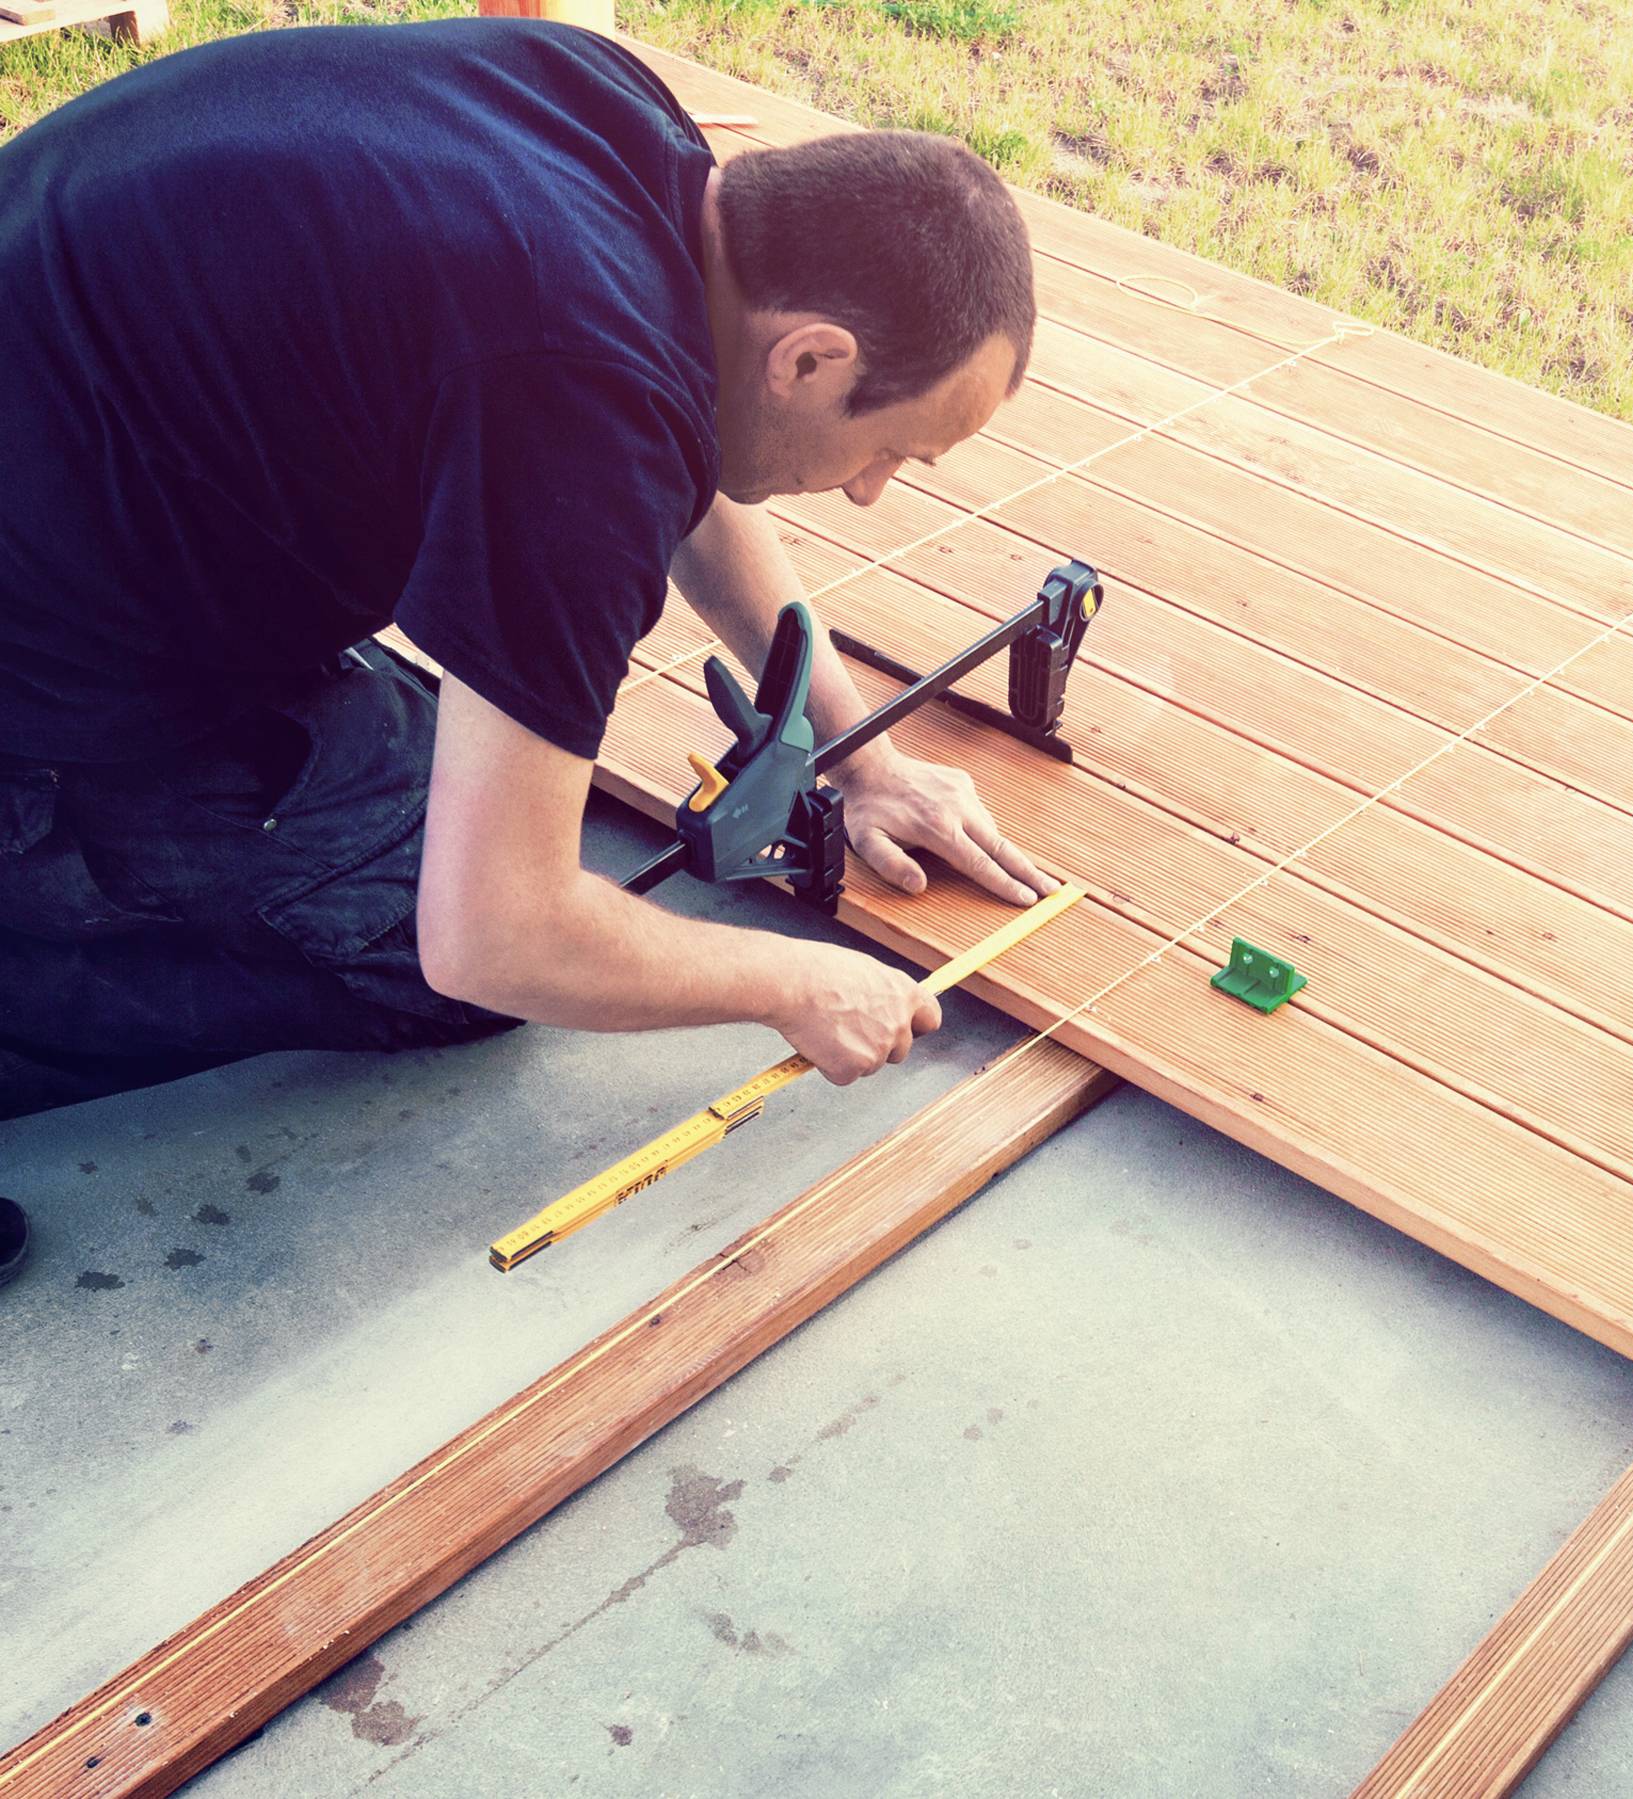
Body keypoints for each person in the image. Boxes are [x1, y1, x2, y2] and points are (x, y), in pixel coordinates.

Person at [0, 19, 1062, 1260]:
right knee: (436, 959)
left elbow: (687, 453)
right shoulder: (578, 398)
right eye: (892, 446)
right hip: (49, 686)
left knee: (439, 793)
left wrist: (854, 745)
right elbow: (495, 936)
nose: (877, 487)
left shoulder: (620, 129)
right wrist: (793, 984)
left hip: (74, 479)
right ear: (809, 354)